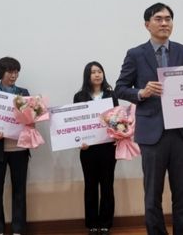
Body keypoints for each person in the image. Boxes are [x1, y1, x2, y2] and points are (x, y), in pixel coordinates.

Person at [115, 2, 183, 235]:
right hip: (152, 133)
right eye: (158, 19)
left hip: (180, 132)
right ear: (147, 24)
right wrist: (142, 92)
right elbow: (120, 88)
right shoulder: (136, 54)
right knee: (152, 193)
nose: (164, 23)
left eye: (168, 19)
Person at [0, 56, 30, 235]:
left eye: (16, 72)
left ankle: (18, 230)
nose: (13, 75)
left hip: (19, 149)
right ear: (0, 73)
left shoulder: (24, 93)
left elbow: (30, 118)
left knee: (19, 190)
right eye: (10, 72)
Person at [73, 61, 119, 235]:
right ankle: (92, 224)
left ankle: (106, 223)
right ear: (88, 75)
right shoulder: (79, 96)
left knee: (107, 186)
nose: (97, 74)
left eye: (99, 71)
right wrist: (79, 141)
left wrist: (118, 132)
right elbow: (76, 122)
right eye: (93, 72)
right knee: (90, 186)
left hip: (108, 147)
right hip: (88, 150)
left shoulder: (111, 95)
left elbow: (118, 119)